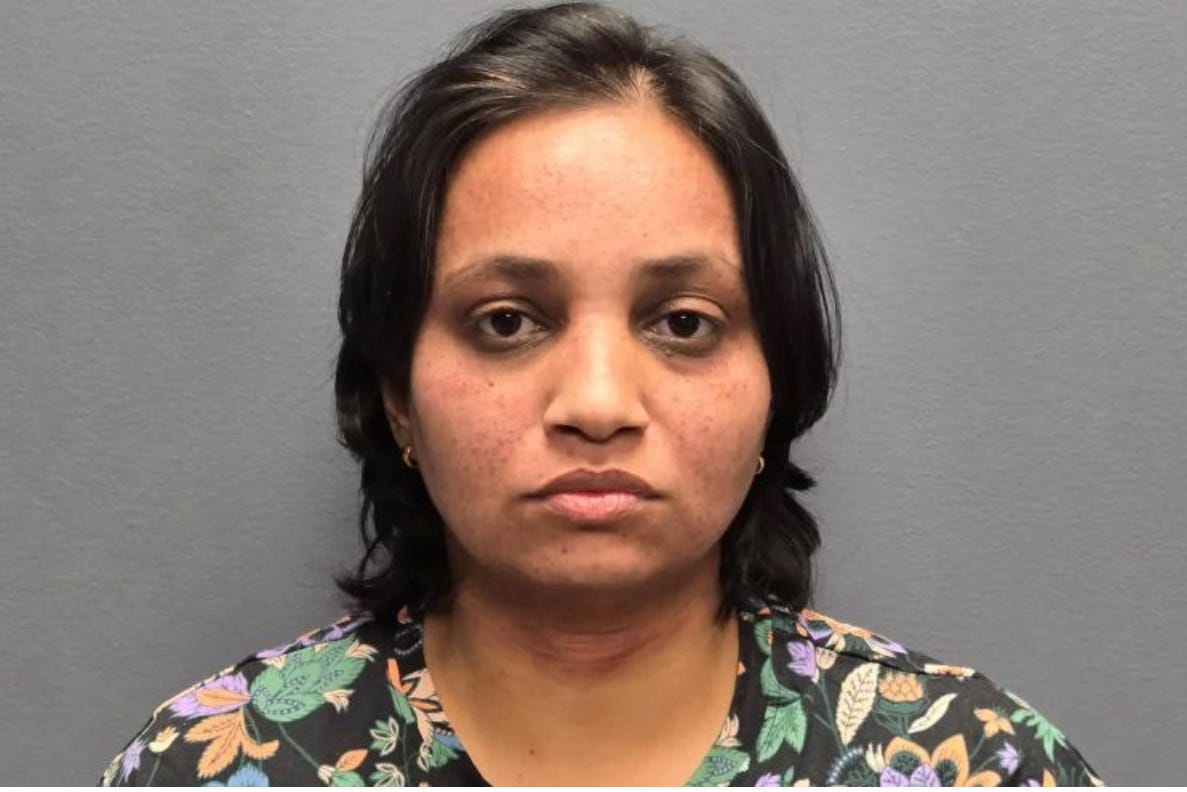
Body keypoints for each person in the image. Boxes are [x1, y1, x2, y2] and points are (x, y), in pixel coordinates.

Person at [101, 2, 1105, 786]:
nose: (594, 403)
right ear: (396, 396)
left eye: (683, 323)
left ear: (777, 383)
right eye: (506, 321)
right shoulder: (216, 764)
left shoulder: (971, 763)